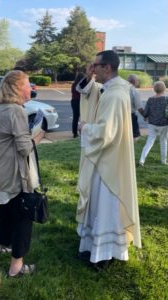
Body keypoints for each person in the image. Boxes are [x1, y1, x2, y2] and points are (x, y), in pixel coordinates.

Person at [76, 50, 141, 270]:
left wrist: (85, 127)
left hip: (108, 164)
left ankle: (103, 254)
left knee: (105, 208)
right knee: (102, 208)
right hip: (108, 160)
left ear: (107, 67)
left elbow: (106, 133)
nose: (92, 68)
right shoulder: (115, 88)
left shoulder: (114, 94)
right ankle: (98, 248)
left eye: (95, 65)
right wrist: (89, 78)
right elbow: (90, 93)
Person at [0, 70, 45, 277]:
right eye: (28, 84)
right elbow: (24, 148)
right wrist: (38, 136)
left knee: (5, 213)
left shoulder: (0, 108)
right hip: (11, 174)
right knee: (22, 218)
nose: (31, 87)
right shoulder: (16, 111)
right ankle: (16, 267)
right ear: (16, 88)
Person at [139, 81, 168, 166]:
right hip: (164, 124)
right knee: (164, 142)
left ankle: (142, 160)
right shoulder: (166, 99)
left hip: (152, 124)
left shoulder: (150, 99)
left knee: (149, 142)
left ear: (154, 89)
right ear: (164, 89)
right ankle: (163, 161)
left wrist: (142, 112)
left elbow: (145, 114)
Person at [127, 74, 144, 141]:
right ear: (134, 81)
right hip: (130, 115)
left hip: (119, 114)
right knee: (135, 135)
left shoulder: (122, 88)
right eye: (138, 80)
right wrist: (145, 116)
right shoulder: (134, 90)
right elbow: (139, 106)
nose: (138, 82)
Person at [71, 72, 85, 138]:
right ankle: (82, 131)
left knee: (75, 118)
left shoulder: (73, 84)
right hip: (79, 101)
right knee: (82, 117)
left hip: (73, 101)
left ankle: (74, 133)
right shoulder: (80, 85)